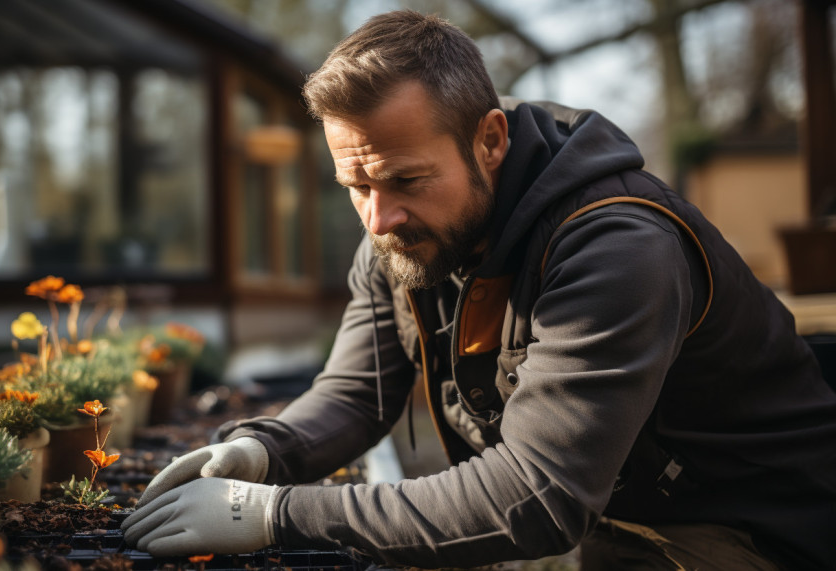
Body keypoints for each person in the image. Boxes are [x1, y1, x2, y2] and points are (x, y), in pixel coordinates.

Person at [122, 10, 836, 570]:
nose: (379, 217)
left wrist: (274, 514)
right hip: (628, 515)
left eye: (405, 179)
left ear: (490, 140)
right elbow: (357, 390)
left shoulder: (616, 248)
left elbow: (536, 495)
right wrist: (261, 451)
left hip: (755, 533)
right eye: (355, 185)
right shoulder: (406, 234)